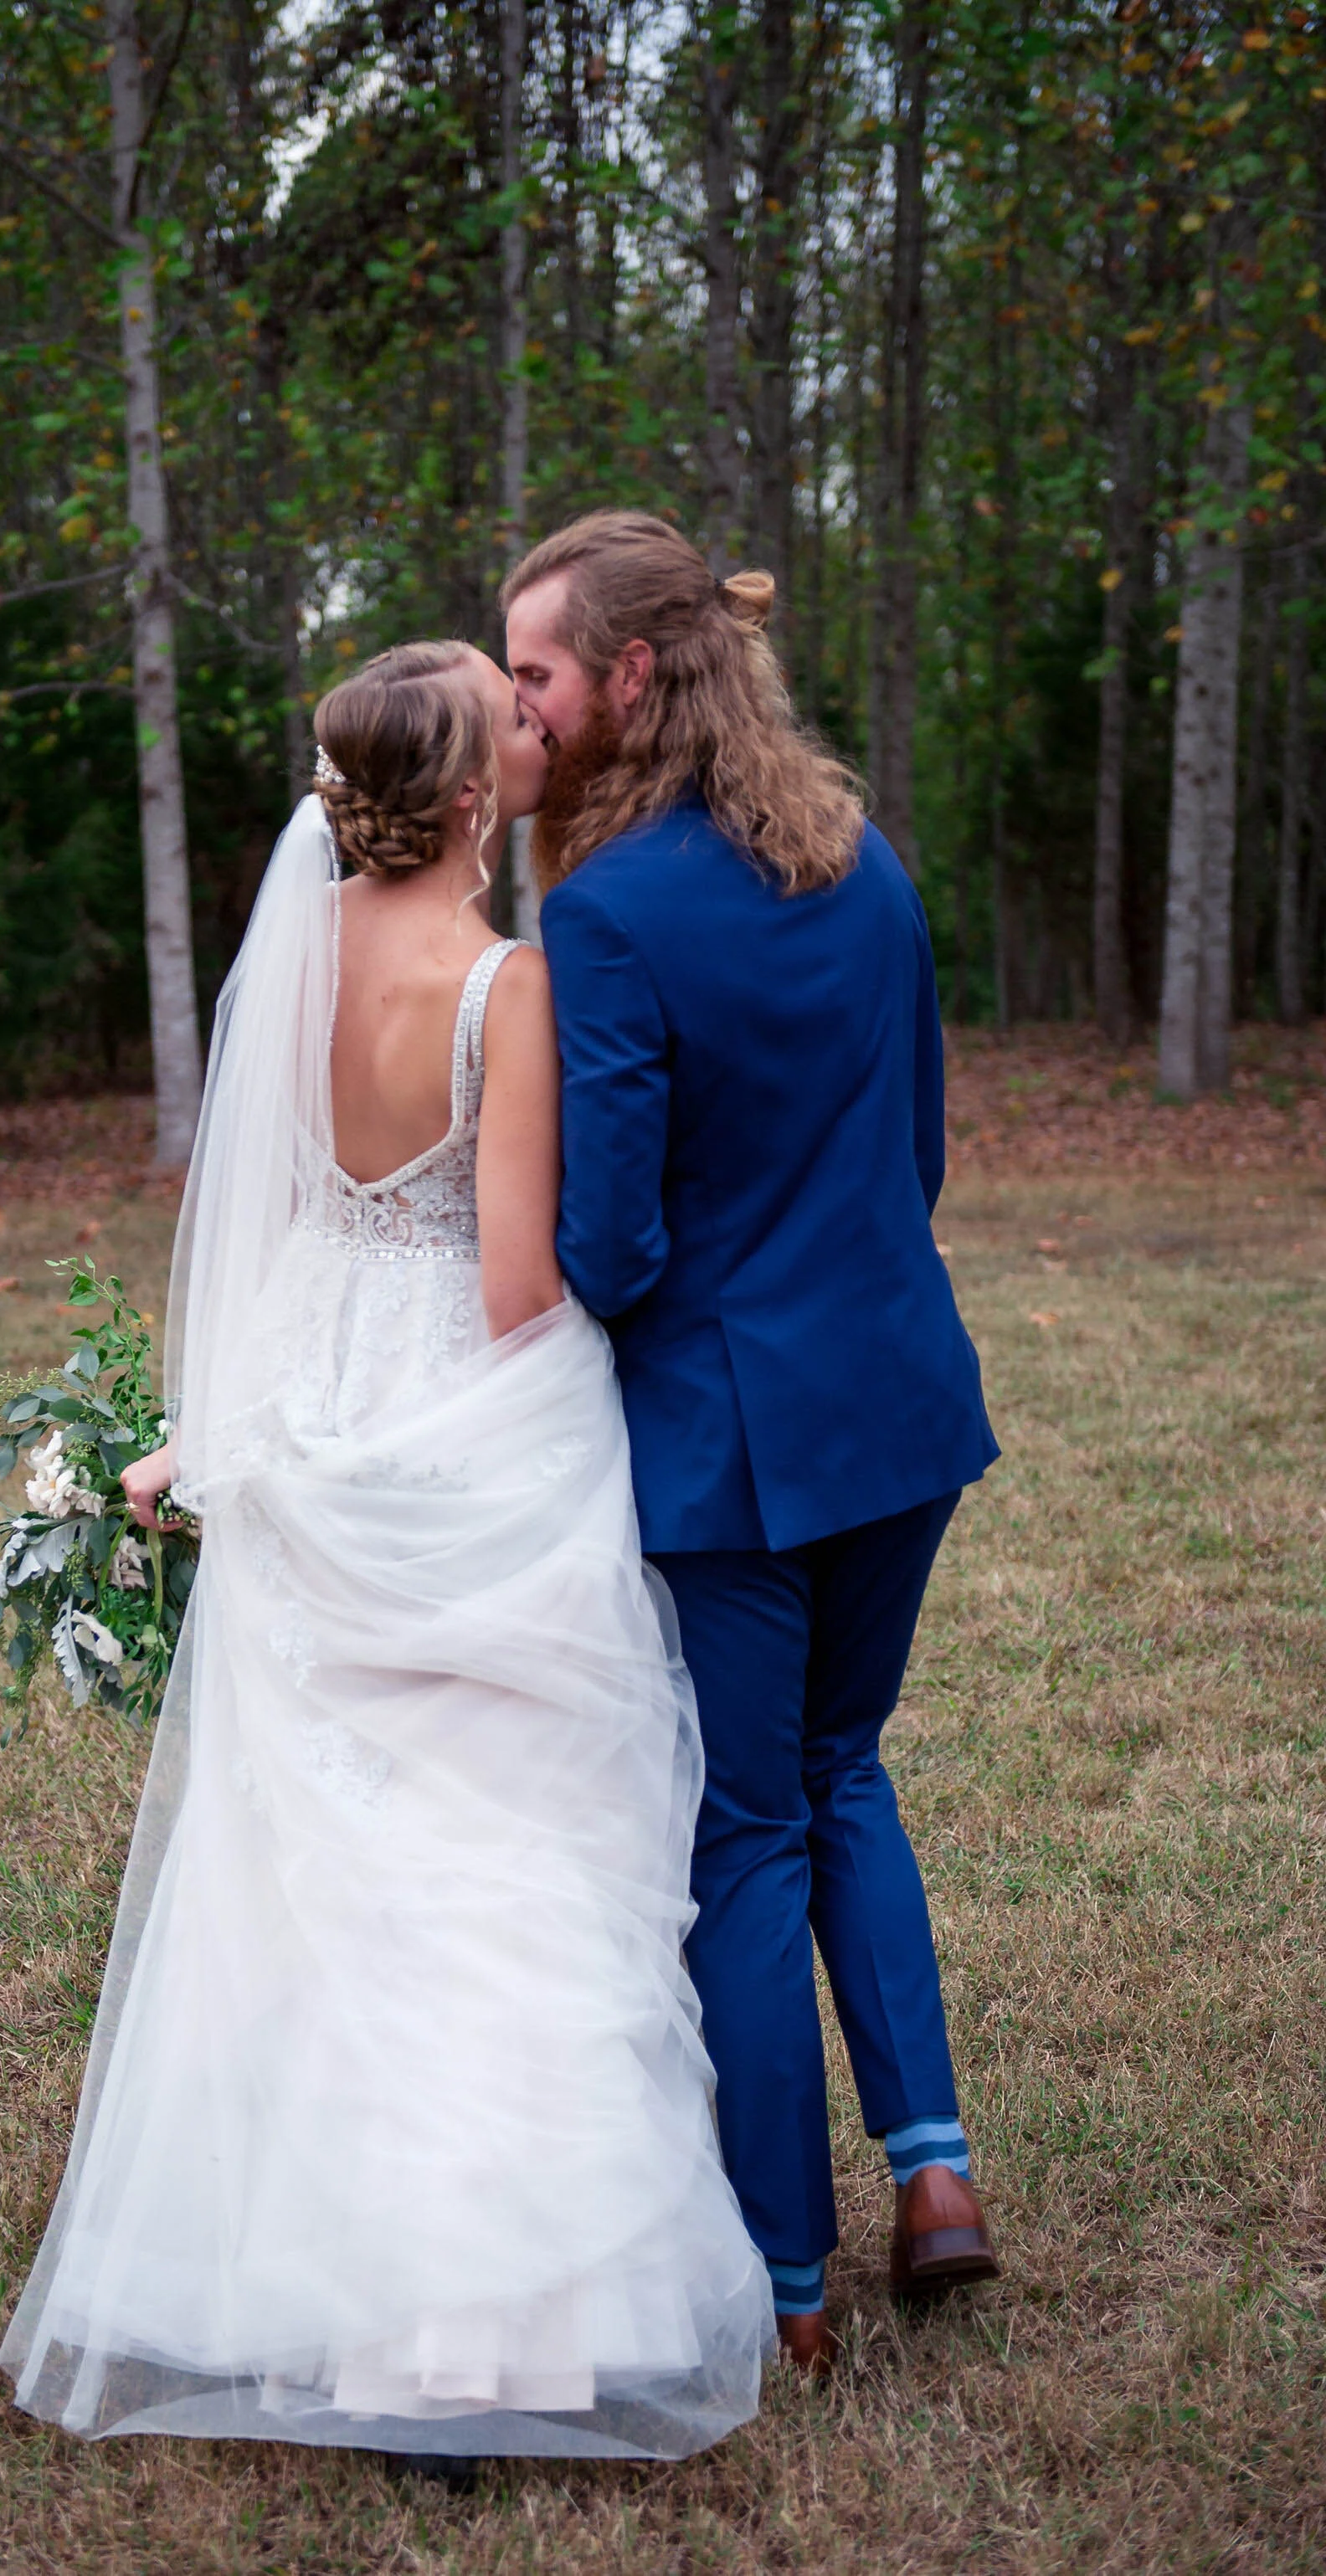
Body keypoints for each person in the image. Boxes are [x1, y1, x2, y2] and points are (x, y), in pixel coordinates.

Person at [0, 640, 776, 2464]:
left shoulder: (291, 965)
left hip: (304, 1413)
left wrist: (229, 1428)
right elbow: (516, 1289)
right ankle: (481, 2334)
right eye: (509, 717)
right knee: (501, 1848)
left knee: (329, 1876)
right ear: (463, 791)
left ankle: (312, 2288)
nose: (538, 726)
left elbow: (268, 1224)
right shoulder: (506, 986)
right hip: (457, 1420)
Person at [502, 511, 1002, 2378]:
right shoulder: (862, 862)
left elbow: (614, 1240)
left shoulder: (607, 912)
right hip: (901, 1400)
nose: (520, 711)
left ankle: (783, 2285)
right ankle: (934, 2178)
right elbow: (922, 1152)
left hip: (729, 1444)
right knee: (845, 1772)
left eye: (537, 674)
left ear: (631, 678)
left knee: (746, 1828)